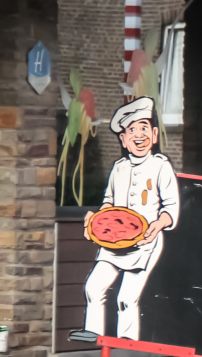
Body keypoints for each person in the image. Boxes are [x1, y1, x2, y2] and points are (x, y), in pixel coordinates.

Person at [71, 97, 180, 342]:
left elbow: (171, 207)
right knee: (93, 287)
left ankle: (127, 342)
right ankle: (93, 332)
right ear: (123, 139)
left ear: (153, 135)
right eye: (131, 130)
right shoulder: (118, 168)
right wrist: (96, 221)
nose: (138, 135)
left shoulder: (161, 166)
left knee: (126, 298)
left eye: (143, 128)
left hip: (145, 243)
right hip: (113, 244)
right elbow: (108, 202)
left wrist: (158, 224)